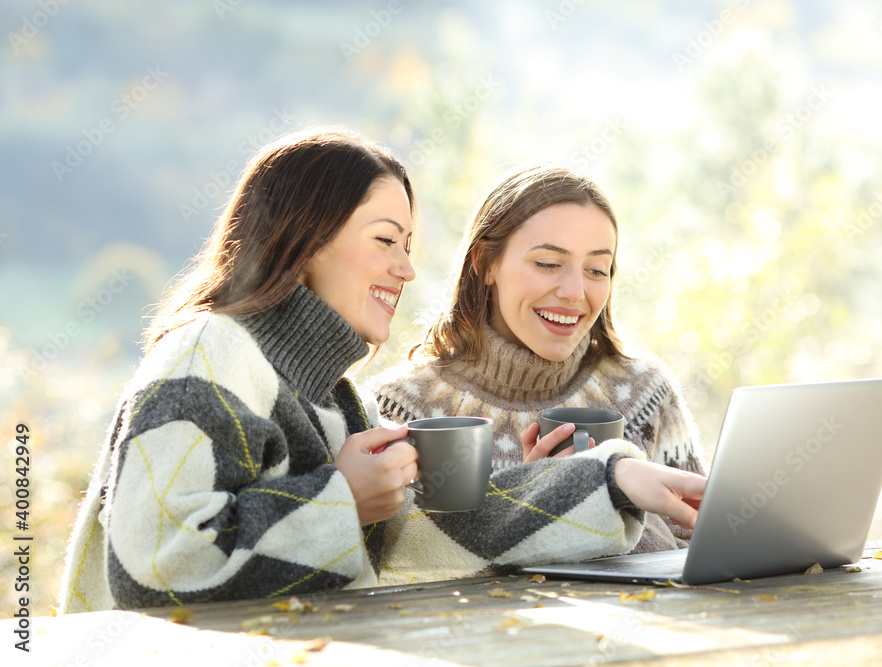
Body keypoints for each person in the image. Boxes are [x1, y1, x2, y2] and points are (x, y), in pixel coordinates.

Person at [59, 130, 704, 612]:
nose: (406, 268)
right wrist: (342, 499)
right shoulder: (210, 352)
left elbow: (415, 542)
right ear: (307, 238)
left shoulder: (332, 396)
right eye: (384, 240)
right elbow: (154, 567)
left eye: (408, 246)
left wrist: (611, 479)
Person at [371, 163, 708, 553]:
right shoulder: (400, 411)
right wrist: (542, 498)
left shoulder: (645, 394)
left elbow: (704, 553)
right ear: (485, 263)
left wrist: (612, 498)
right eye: (548, 264)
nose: (574, 291)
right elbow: (406, 570)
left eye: (597, 269)